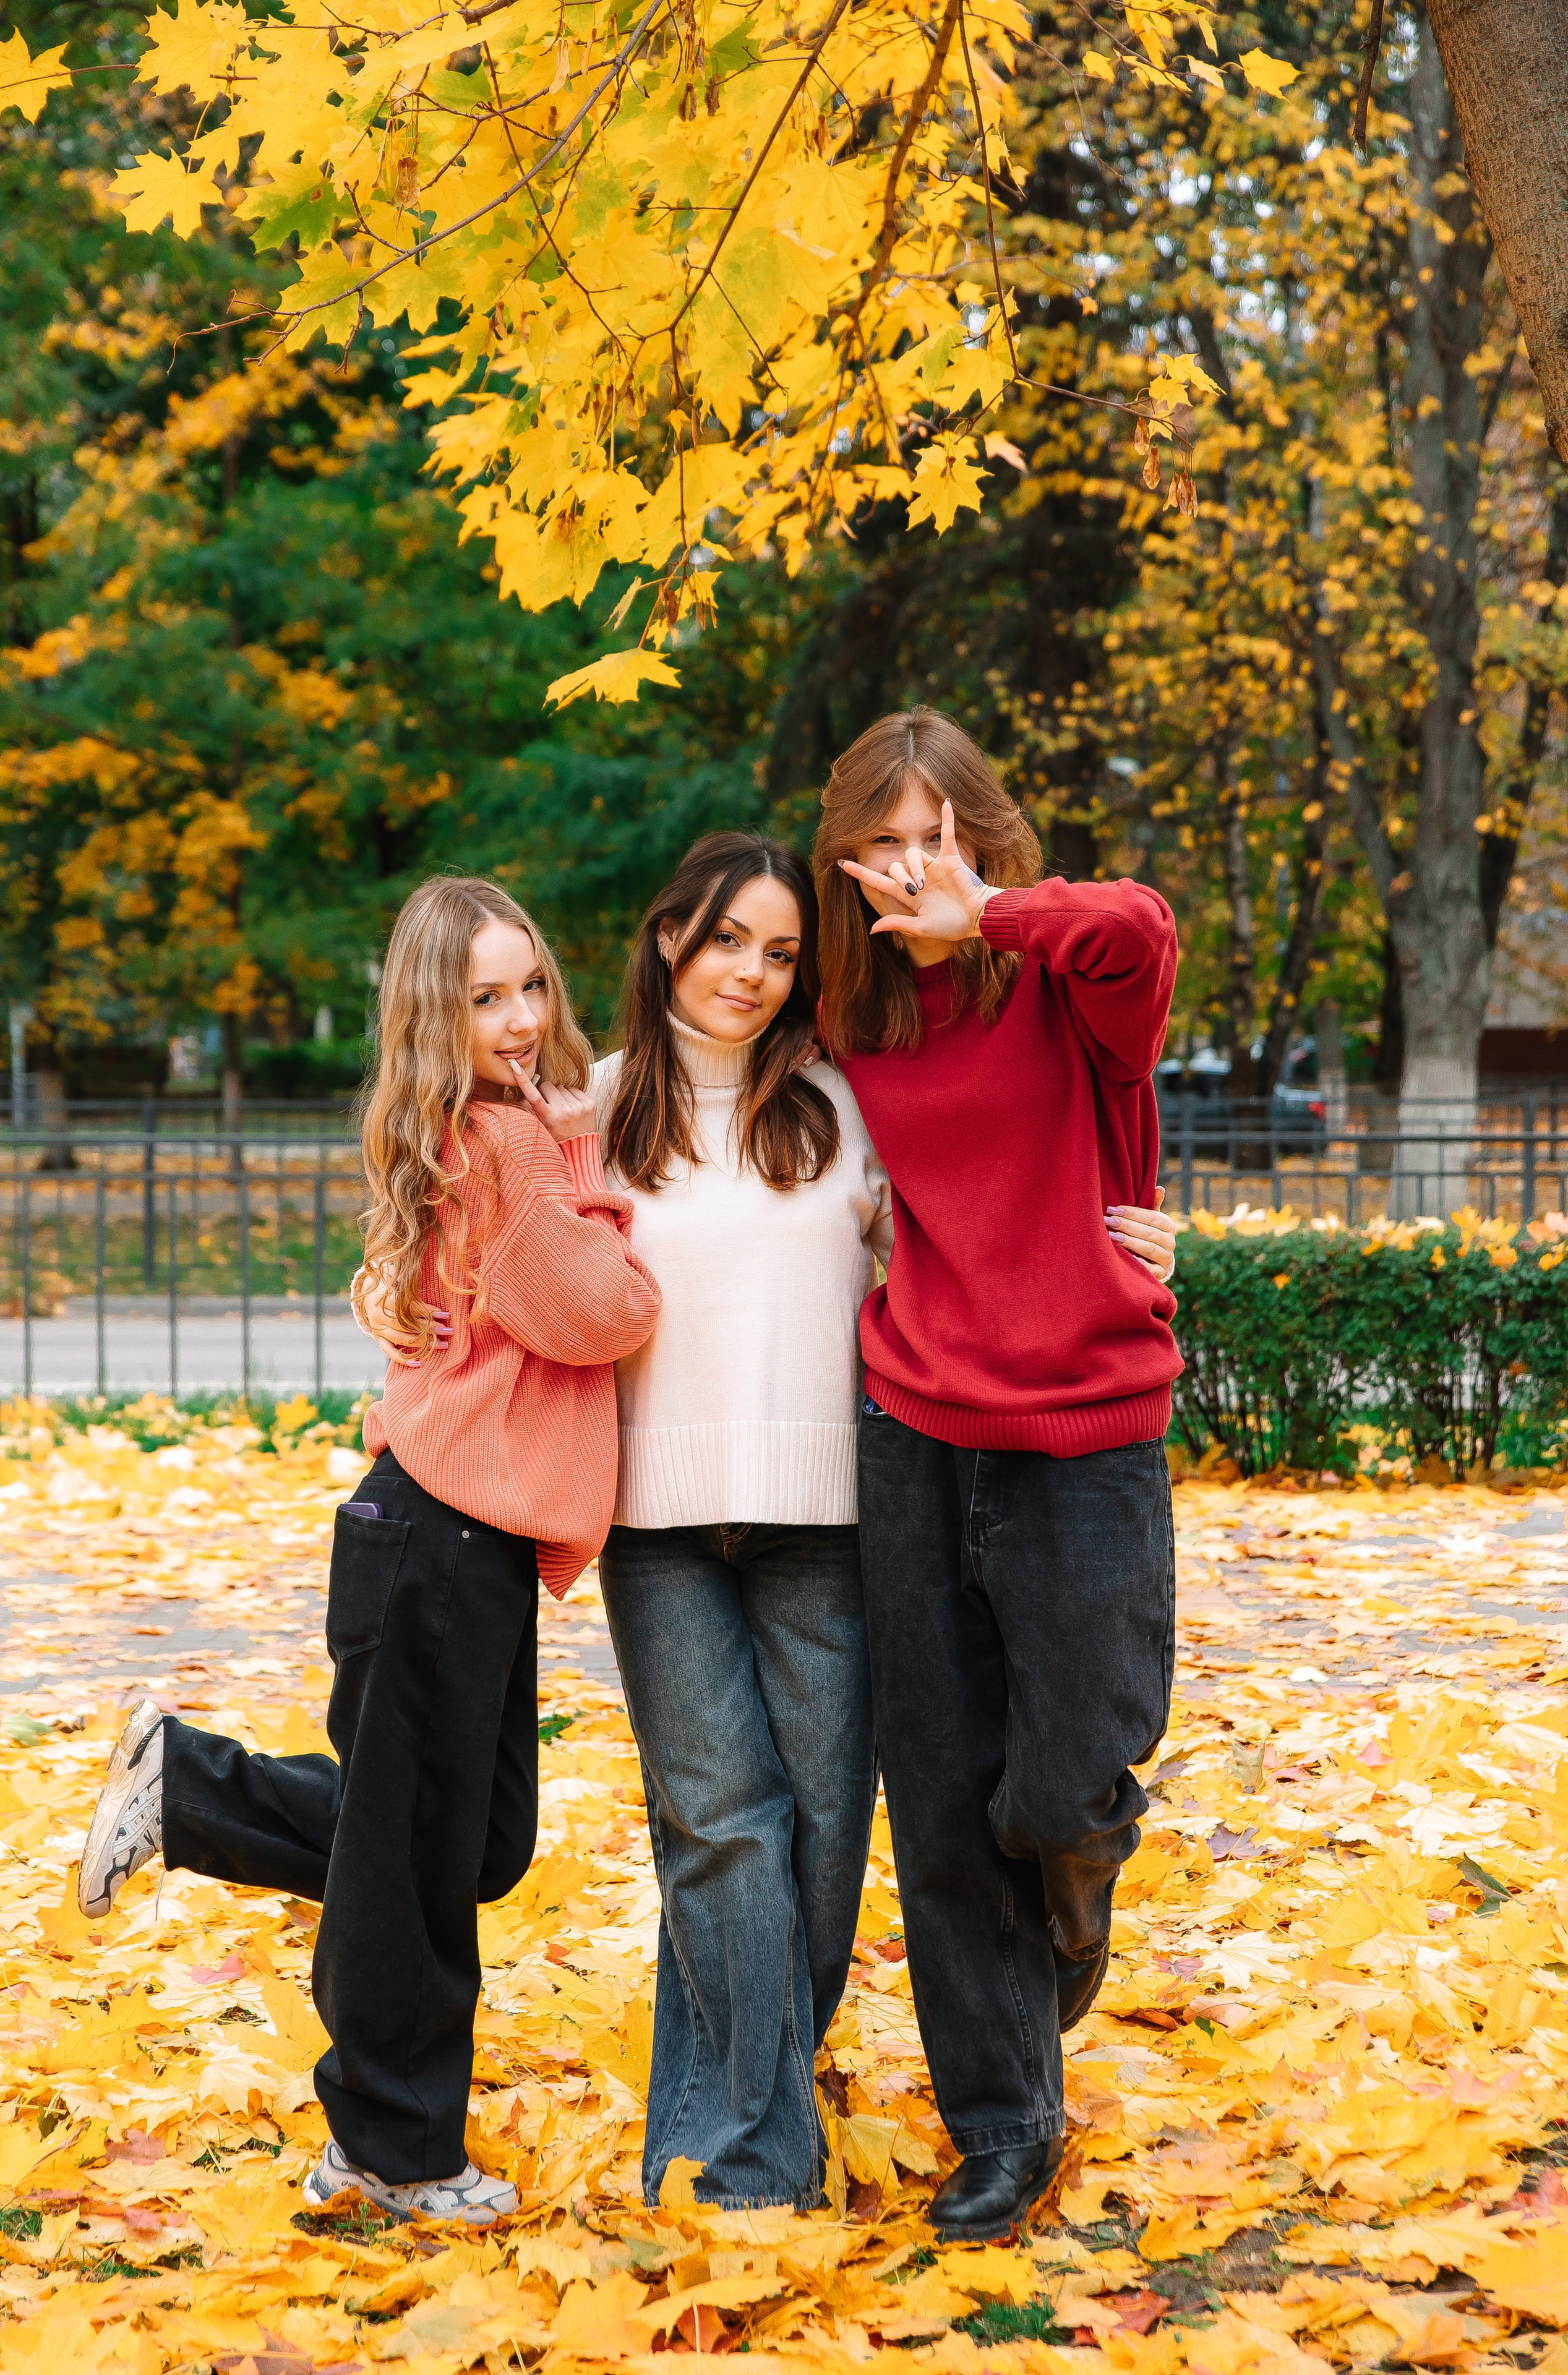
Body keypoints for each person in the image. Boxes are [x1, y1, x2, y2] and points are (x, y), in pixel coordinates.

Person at [367, 836, 1175, 2214]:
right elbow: (461, 1222)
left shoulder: (844, 1103)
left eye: (781, 951)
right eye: (726, 939)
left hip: (831, 1519)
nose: (750, 973)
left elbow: (987, 1218)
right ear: (669, 937)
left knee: (815, 1835)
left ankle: (721, 2128)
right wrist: (382, 1293)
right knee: (718, 1830)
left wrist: (1150, 1240)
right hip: (659, 1526)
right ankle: (751, 2168)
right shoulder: (590, 1107)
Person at [75, 876, 660, 2225]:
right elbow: (606, 1311)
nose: (518, 1019)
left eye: (529, 988)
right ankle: (391, 2152)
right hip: (439, 1545)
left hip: (445, 1540)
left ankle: (189, 1783)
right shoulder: (511, 1147)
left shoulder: (478, 1128)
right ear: (433, 1015)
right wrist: (609, 1205)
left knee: (471, 1845)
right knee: (414, 1864)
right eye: (484, 998)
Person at [814, 708, 1181, 2243]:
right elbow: (690, 1053)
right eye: (882, 841)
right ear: (845, 859)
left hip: (1086, 1428)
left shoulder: (1069, 979)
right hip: (911, 1423)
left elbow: (1142, 926)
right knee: (944, 1792)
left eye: (936, 833)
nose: (912, 866)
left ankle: (1084, 1859)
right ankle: (1001, 2124)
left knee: (1062, 1773)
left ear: (983, 834)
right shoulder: (845, 1017)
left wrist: (991, 915)